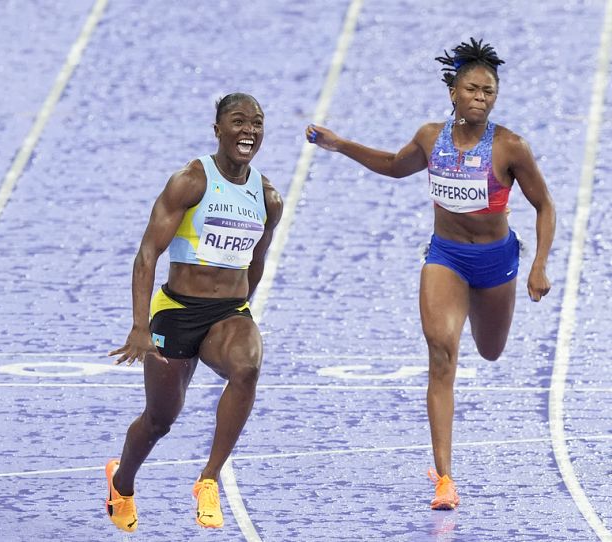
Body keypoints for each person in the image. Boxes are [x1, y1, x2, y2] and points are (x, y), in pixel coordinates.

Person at [306, 38, 555, 510]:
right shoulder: (429, 138)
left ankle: (445, 468)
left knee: (491, 350)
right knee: (442, 355)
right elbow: (392, 166)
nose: (481, 98)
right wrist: (340, 146)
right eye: (473, 89)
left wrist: (538, 264)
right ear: (453, 93)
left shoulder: (510, 148)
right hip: (446, 258)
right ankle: (445, 477)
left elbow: (544, 205)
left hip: (497, 261)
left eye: (489, 92)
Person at [106, 93, 283, 531]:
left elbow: (257, 261)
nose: (248, 131)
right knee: (159, 420)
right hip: (177, 312)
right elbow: (148, 252)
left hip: (228, 312)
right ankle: (122, 482)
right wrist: (139, 325)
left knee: (247, 367)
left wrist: (243, 313)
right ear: (218, 129)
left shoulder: (268, 198)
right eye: (238, 122)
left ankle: (208, 479)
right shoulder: (190, 181)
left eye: (256, 123)